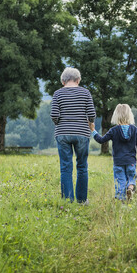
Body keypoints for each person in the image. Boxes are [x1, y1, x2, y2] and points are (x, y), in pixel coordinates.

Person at [50, 67, 96, 203]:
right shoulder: (85, 92)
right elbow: (92, 114)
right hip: (82, 133)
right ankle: (82, 200)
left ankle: (67, 200)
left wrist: (59, 123)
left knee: (65, 167)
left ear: (63, 81)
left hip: (62, 134)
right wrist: (90, 123)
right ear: (78, 80)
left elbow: (54, 115)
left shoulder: (57, 94)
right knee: (82, 166)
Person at [89, 104, 137, 201]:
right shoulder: (134, 129)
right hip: (130, 161)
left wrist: (93, 130)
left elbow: (101, 140)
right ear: (129, 115)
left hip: (118, 162)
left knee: (120, 181)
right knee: (131, 178)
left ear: (116, 115)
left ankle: (121, 201)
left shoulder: (113, 130)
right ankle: (130, 188)